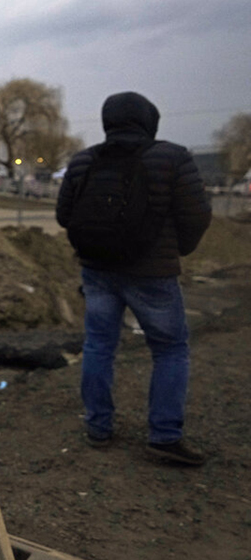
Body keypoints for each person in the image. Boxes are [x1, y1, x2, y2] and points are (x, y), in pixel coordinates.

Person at [56, 91, 212, 465]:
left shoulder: (83, 161)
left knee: (98, 346)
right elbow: (197, 214)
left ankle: (98, 427)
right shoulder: (173, 157)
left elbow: (64, 216)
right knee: (170, 349)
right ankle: (164, 435)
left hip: (97, 271)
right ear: (149, 120)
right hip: (153, 274)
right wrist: (178, 250)